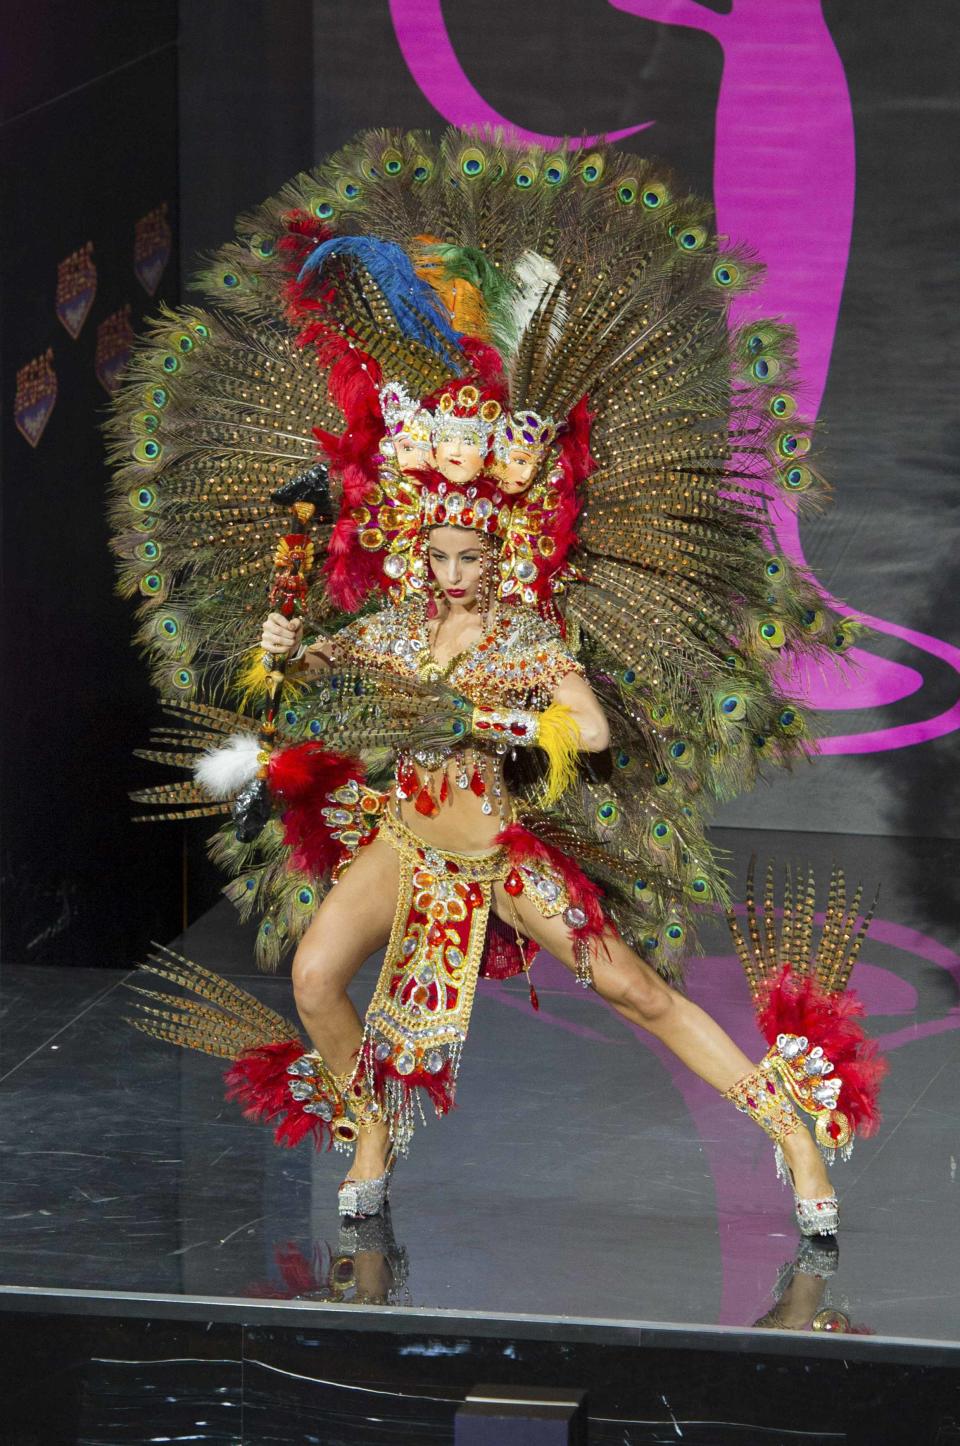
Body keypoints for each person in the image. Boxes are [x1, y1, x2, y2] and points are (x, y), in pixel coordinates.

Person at [110, 128, 880, 1238]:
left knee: (633, 989)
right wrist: (284, 647)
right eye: (440, 555)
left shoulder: (526, 634)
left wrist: (530, 737)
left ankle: (791, 1132)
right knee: (319, 974)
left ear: (503, 551)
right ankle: (369, 1124)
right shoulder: (395, 629)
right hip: (405, 836)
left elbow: (594, 727)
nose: (456, 570)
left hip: (504, 845)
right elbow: (287, 686)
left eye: (474, 555)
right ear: (420, 552)